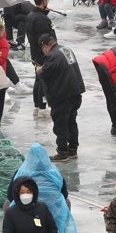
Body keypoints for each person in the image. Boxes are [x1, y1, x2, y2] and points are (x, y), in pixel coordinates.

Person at [36, 34, 85, 162]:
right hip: (75, 92)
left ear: (45, 46)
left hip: (62, 95)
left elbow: (44, 74)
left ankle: (63, 152)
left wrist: (39, 70)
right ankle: (73, 149)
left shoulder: (52, 56)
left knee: (61, 125)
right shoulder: (66, 49)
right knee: (71, 122)